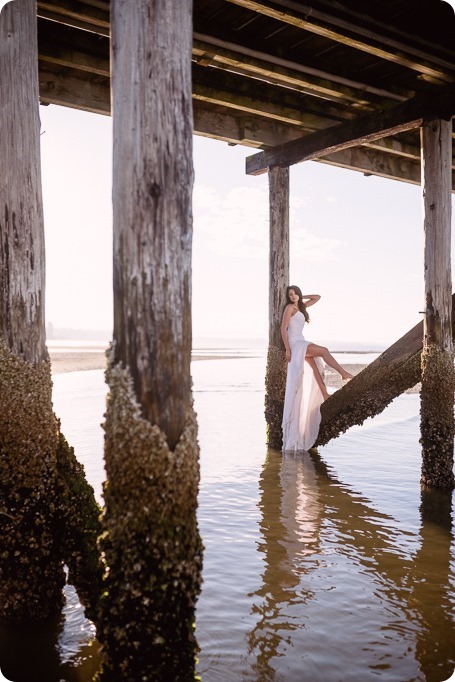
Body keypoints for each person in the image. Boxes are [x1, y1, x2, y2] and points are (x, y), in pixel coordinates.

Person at [281, 285, 353, 452]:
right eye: (290, 294)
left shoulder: (300, 306)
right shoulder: (289, 308)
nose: (292, 296)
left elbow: (317, 297)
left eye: (294, 293)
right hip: (295, 344)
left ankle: (325, 394)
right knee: (324, 351)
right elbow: (283, 330)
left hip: (301, 341)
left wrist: (300, 296)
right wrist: (287, 349)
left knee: (314, 367)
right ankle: (343, 373)